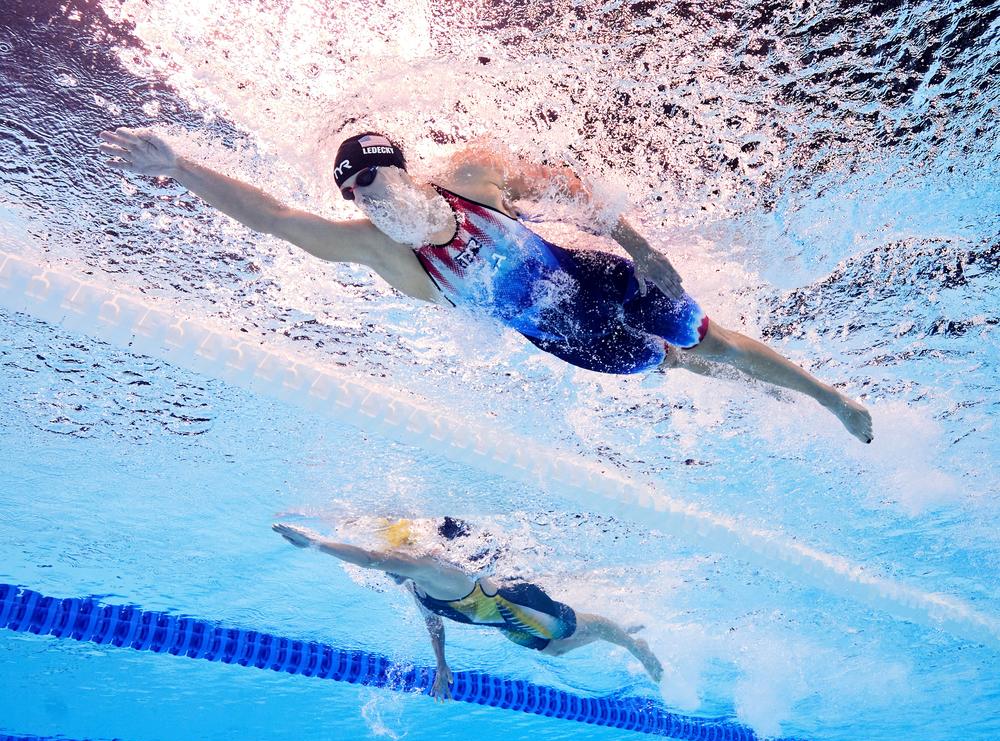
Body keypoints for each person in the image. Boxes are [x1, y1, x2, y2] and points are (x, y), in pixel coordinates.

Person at [98, 127, 873, 443]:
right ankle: (766, 392)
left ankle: (829, 398)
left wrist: (646, 247)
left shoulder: (469, 173)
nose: (367, 193)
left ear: (401, 166)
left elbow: (571, 189)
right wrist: (179, 168)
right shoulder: (385, 257)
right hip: (565, 337)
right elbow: (272, 217)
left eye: (374, 174)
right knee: (669, 364)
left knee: (709, 340)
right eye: (355, 189)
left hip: (598, 274)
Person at [271, 518, 664, 701]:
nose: (388, 574)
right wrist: (441, 662)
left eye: (394, 566)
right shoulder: (417, 585)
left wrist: (317, 545)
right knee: (558, 649)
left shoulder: (428, 567)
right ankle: (615, 631)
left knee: (561, 631)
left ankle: (631, 642)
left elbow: (373, 559)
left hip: (521, 606)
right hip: (501, 623)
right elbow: (433, 621)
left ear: (401, 557)